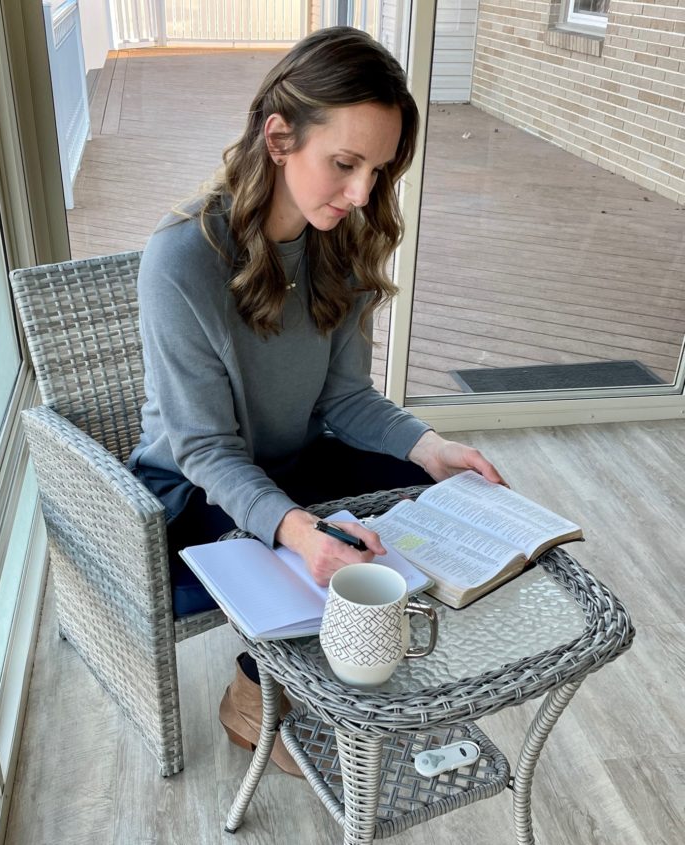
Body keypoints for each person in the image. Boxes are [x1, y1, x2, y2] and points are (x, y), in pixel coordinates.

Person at [128, 26, 504, 774]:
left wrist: (432, 449)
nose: (363, 193)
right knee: (323, 545)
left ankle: (352, 663)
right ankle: (253, 692)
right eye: (344, 163)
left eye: (377, 169)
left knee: (424, 495)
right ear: (278, 138)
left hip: (292, 457)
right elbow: (205, 450)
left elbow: (347, 399)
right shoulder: (181, 260)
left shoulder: (340, 242)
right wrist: (300, 533)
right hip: (191, 492)